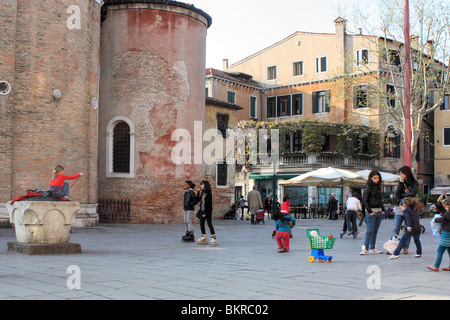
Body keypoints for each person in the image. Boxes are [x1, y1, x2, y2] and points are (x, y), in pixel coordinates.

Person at [392, 165, 419, 254]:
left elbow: (412, 194)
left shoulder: (414, 183)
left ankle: (405, 247)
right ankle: (393, 246)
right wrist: (400, 183)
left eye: (402, 173)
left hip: (410, 208)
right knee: (396, 228)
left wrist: (402, 196)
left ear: (406, 173)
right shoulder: (401, 183)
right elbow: (396, 195)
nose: (401, 175)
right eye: (400, 173)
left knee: (408, 228)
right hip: (401, 206)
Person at [360, 170, 385, 255]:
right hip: (371, 211)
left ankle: (373, 247)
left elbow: (380, 199)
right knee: (370, 230)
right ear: (370, 178)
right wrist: (369, 211)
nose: (376, 179)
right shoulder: (368, 187)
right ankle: (365, 247)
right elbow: (365, 200)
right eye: (374, 178)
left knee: (375, 230)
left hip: (379, 211)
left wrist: (383, 209)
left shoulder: (378, 187)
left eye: (377, 178)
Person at [426, 199, 450, 271]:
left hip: (447, 233)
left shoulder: (448, 213)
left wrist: (435, 220)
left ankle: (436, 266)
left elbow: (442, 219)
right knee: (449, 250)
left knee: (440, 250)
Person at [195, 181, 218, 246]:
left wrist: (205, 212)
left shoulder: (208, 193)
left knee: (209, 223)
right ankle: (203, 237)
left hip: (208, 211)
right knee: (201, 223)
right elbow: (198, 200)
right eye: (201, 184)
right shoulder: (203, 193)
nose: (201, 186)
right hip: (202, 210)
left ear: (206, 185)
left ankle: (214, 238)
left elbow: (208, 204)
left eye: (202, 184)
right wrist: (198, 192)